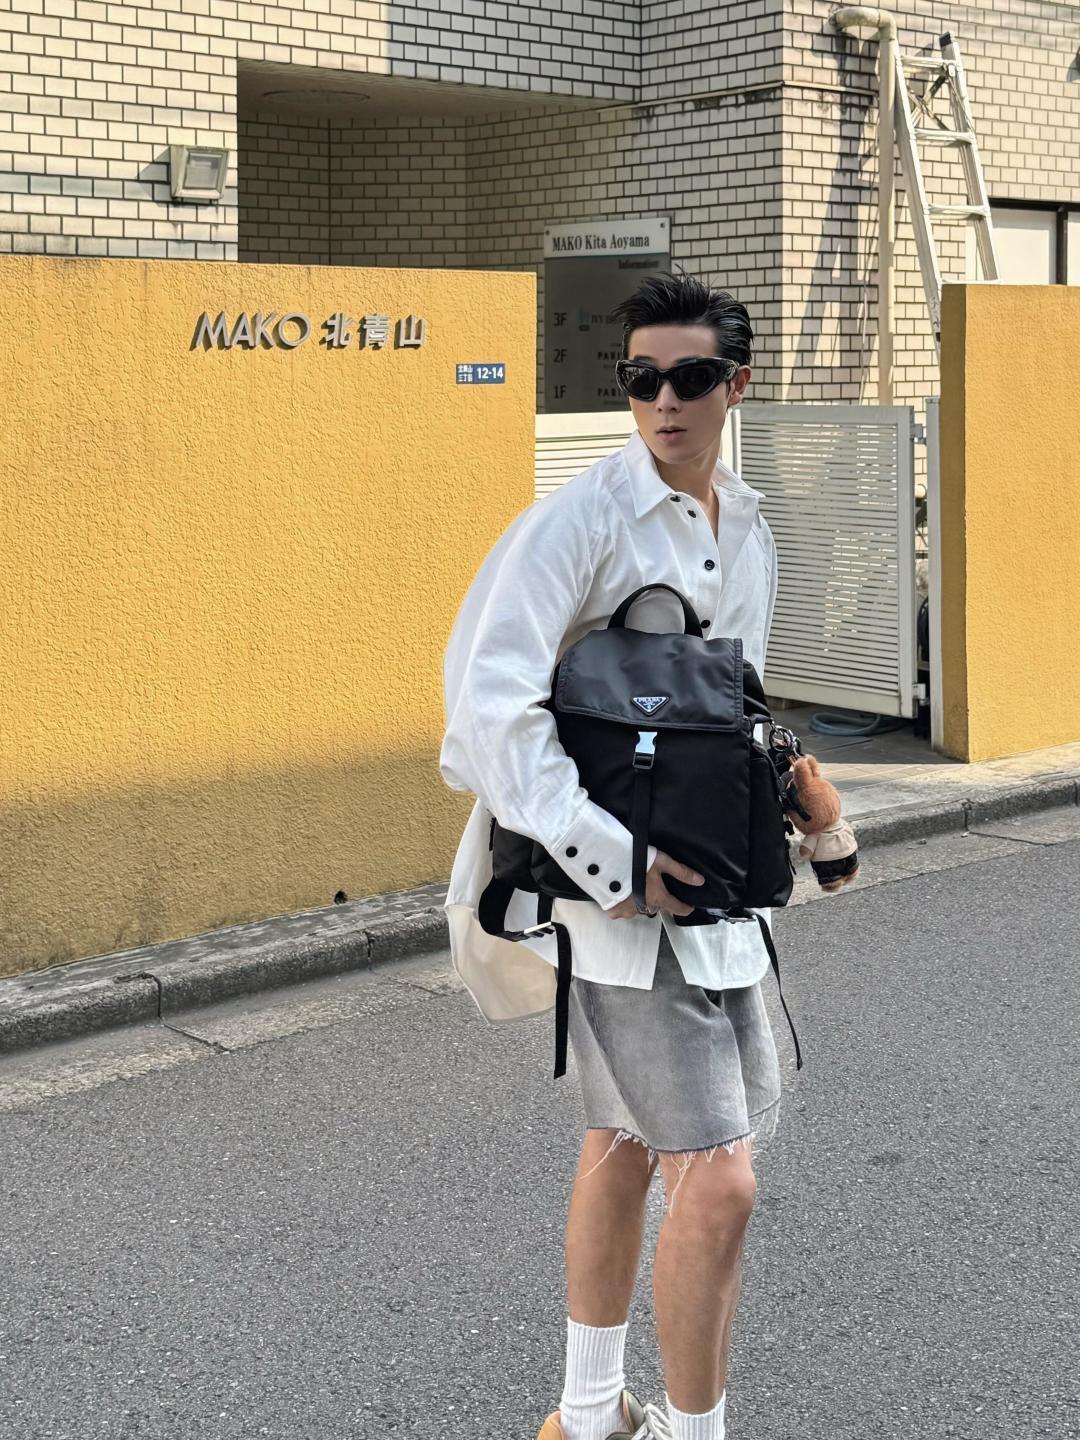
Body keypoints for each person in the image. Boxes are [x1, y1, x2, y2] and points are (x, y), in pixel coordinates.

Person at [440, 273, 848, 1440]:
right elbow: (486, 709)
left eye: (690, 377)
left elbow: (734, 712)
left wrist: (796, 799)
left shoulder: (747, 528)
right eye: (641, 378)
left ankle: (585, 1413)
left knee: (624, 1142)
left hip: (719, 893)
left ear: (737, 385)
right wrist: (611, 859)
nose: (664, 401)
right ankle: (692, 1431)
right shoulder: (580, 522)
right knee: (720, 1181)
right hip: (614, 902)